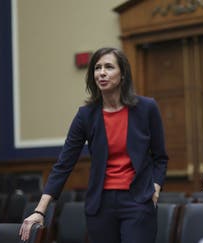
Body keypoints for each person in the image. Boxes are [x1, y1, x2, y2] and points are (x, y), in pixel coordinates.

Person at [19, 47, 168, 243]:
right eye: (97, 68)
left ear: (123, 74)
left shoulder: (146, 108)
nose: (102, 73)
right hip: (101, 205)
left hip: (138, 201)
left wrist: (155, 188)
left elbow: (160, 157)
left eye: (109, 67)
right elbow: (64, 164)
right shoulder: (86, 115)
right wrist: (40, 210)